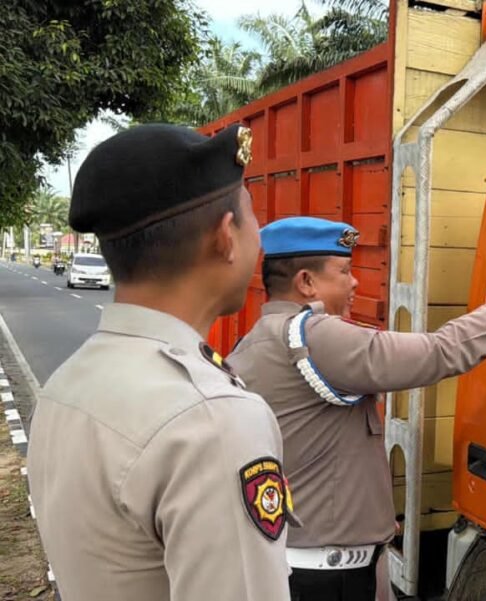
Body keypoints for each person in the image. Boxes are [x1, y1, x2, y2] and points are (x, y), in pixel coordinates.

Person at [227, 216, 486, 601]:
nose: (354, 283)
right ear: (306, 282)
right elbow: (439, 351)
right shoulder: (313, 336)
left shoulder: (256, 344)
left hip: (301, 562)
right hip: (331, 579)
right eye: (345, 271)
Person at [27, 123, 293, 601]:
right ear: (226, 236)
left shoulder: (68, 382)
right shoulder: (213, 419)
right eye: (254, 218)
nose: (261, 240)